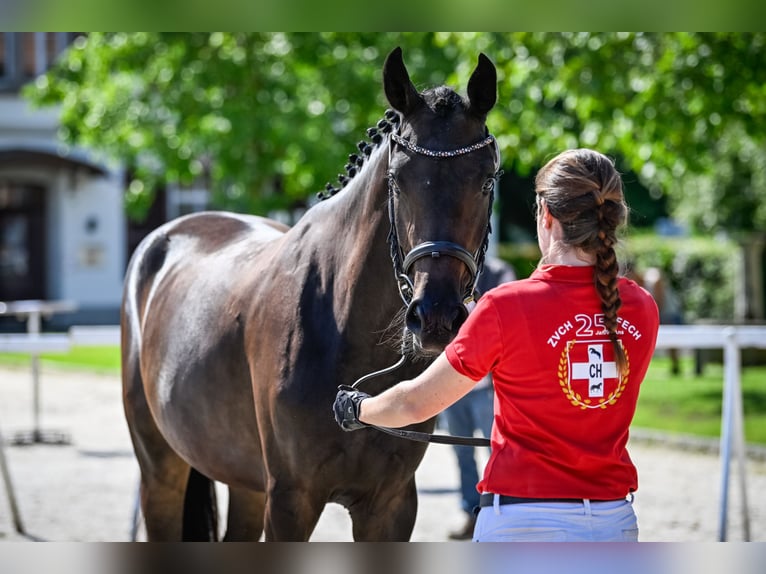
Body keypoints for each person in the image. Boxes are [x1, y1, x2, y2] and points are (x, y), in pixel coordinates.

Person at [334, 148, 660, 542]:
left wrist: (358, 408)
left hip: (524, 523)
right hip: (614, 521)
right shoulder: (642, 307)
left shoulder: (505, 307)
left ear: (546, 215)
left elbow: (413, 404)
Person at [442, 257, 516, 540]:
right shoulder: (445, 272)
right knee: (462, 454)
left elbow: (506, 316)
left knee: (495, 453)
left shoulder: (498, 271)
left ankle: (500, 513)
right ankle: (471, 512)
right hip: (452, 386)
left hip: (486, 386)